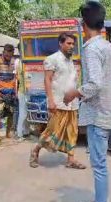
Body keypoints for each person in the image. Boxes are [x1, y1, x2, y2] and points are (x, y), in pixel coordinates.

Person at [63, 1, 111, 202]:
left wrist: (74, 93)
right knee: (100, 162)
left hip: (98, 113)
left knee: (98, 164)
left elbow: (95, 83)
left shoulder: (91, 48)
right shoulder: (108, 47)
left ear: (83, 23)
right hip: (106, 110)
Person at [29, 33, 85, 169]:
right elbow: (47, 80)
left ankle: (71, 159)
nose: (71, 46)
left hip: (72, 103)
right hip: (58, 102)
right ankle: (35, 150)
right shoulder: (51, 59)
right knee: (52, 131)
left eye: (73, 44)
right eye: (68, 43)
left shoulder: (71, 61)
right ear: (61, 43)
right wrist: (51, 101)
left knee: (72, 131)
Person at [0, 44, 17, 138]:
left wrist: (14, 91)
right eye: (6, 55)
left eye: (10, 55)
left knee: (11, 114)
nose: (8, 57)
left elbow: (15, 78)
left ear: (12, 53)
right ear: (3, 52)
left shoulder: (14, 62)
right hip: (0, 92)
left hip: (10, 92)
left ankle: (8, 134)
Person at [14, 43, 29, 140]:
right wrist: (15, 91)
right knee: (23, 113)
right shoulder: (18, 62)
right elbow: (16, 79)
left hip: (28, 90)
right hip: (22, 91)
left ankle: (26, 131)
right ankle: (19, 133)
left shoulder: (28, 61)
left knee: (27, 112)